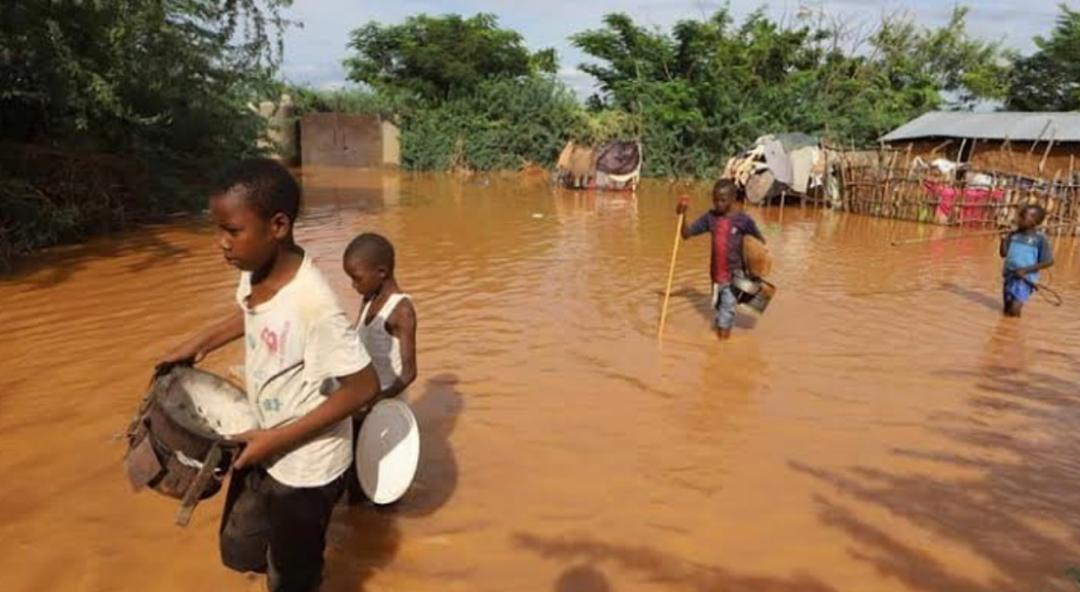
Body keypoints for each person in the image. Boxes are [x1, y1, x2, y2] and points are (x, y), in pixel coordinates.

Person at [157, 158, 380, 592]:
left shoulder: (314, 304)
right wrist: (198, 343)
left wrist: (275, 440)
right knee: (239, 549)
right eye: (218, 229)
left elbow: (365, 386)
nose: (222, 243)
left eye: (232, 231)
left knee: (292, 578)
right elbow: (249, 312)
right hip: (263, 439)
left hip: (306, 466)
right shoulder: (255, 271)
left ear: (277, 225)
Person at [341, 232, 419, 503]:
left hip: (385, 406)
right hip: (362, 401)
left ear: (382, 272)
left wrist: (377, 398)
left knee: (384, 479)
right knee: (355, 473)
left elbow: (409, 373)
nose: (353, 285)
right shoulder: (368, 299)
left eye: (356, 278)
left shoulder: (402, 311)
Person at [676, 178, 765, 340]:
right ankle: (722, 339)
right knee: (719, 309)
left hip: (734, 277)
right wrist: (682, 214)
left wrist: (757, 270)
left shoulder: (743, 220)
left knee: (725, 314)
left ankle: (722, 348)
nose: (718, 204)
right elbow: (686, 234)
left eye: (723, 200)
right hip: (716, 276)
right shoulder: (710, 218)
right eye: (715, 200)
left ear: (733, 199)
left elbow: (759, 243)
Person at [999, 203, 1054, 318]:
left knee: (1014, 309)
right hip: (1010, 275)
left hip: (1025, 278)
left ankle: (1012, 329)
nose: (1018, 219)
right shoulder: (1013, 235)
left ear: (1034, 221)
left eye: (1022, 217)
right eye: (1019, 216)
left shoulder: (1039, 239)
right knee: (1007, 308)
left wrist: (1025, 270)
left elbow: (1048, 261)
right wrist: (1003, 240)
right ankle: (1008, 331)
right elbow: (1004, 254)